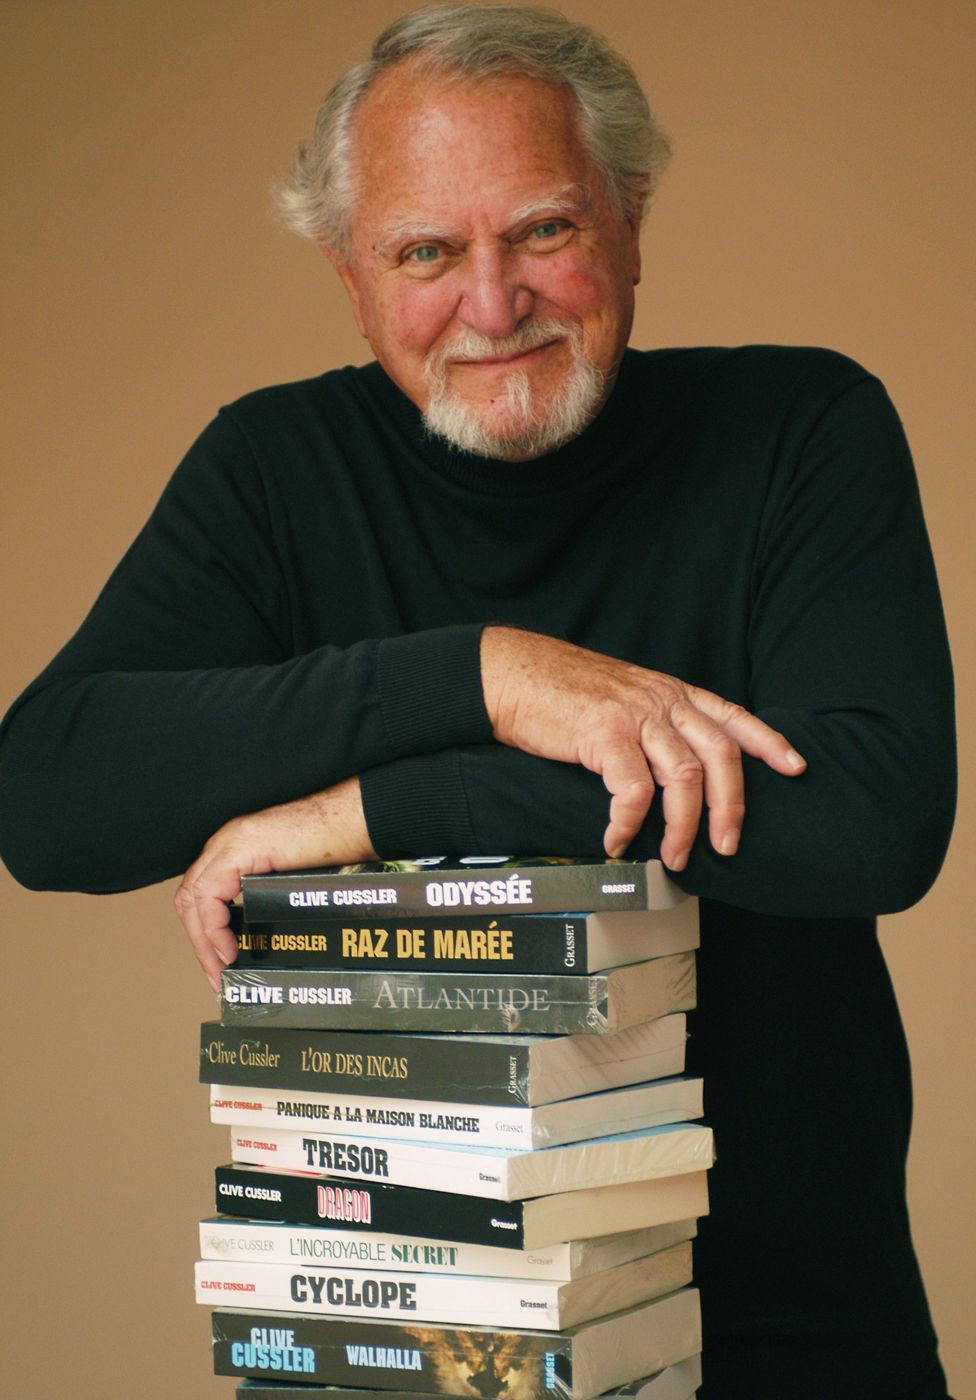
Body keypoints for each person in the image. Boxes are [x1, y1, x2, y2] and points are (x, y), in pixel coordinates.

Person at [0, 6, 955, 1397]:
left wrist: (382, 804)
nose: (494, 304)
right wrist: (482, 676)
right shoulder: (275, 471)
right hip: (387, 1329)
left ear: (631, 219)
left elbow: (872, 829)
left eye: (544, 231)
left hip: (781, 1327)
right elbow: (44, 798)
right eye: (426, 253)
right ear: (349, 272)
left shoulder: (800, 430)